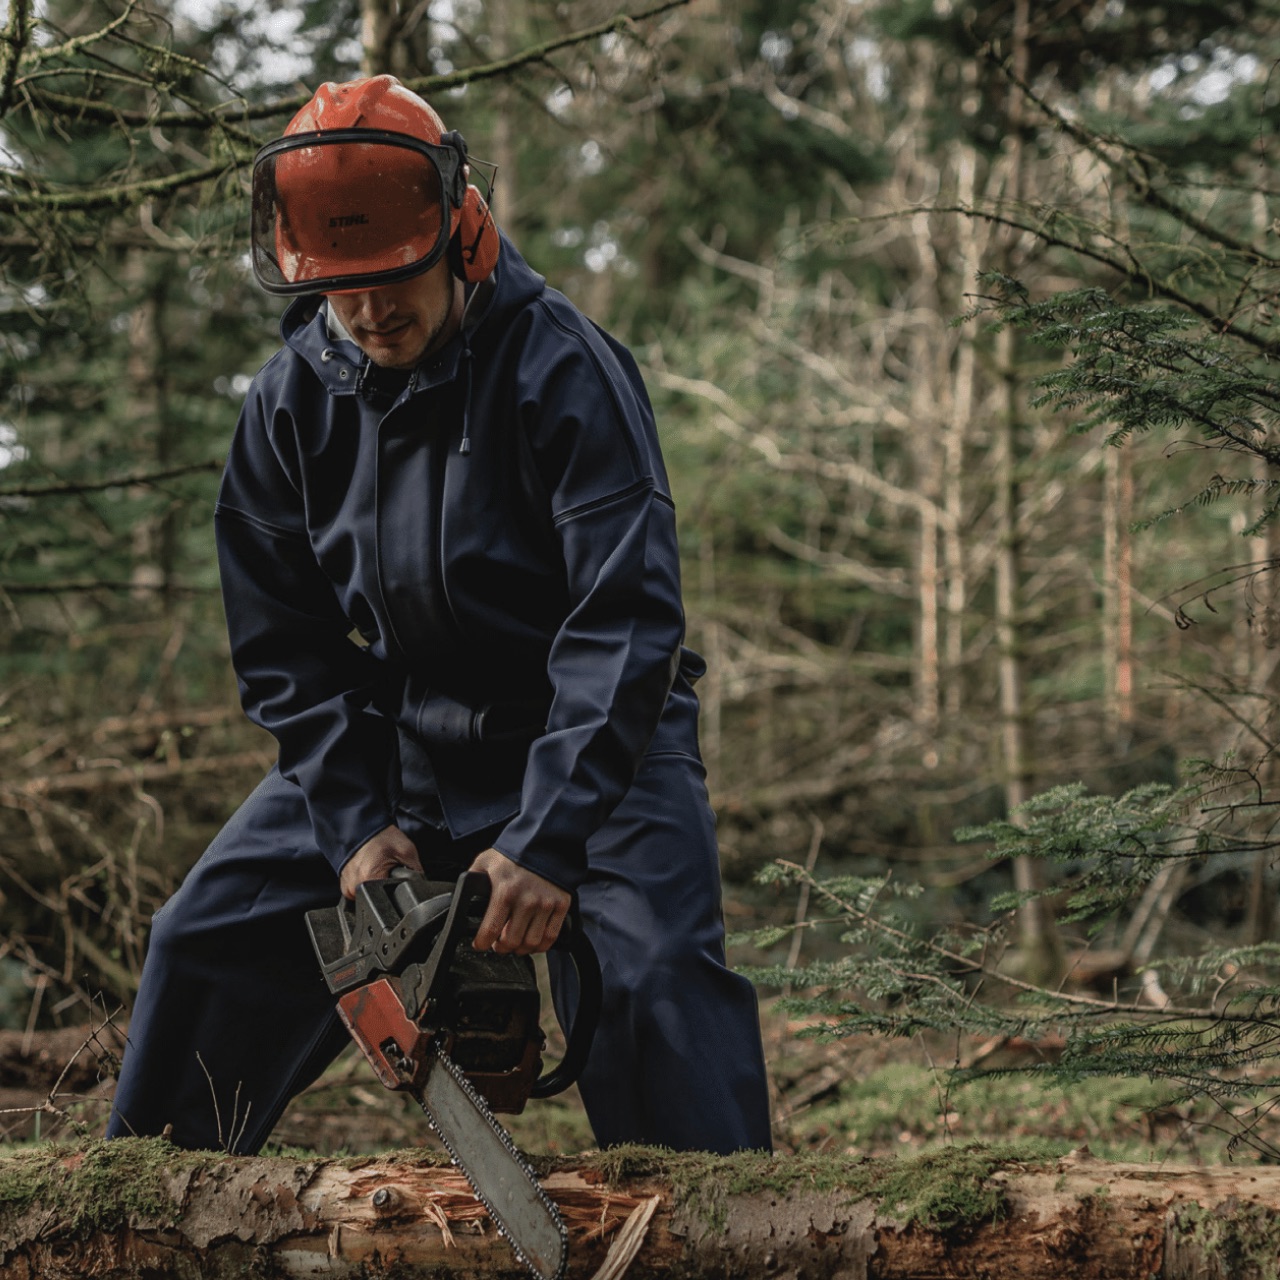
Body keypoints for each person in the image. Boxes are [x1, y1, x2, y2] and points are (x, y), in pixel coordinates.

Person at [106, 74, 772, 1156]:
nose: (370, 312)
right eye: (341, 289)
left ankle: (730, 1231)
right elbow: (283, 646)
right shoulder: (288, 403)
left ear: (457, 233)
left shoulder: (563, 367)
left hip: (595, 739)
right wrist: (351, 818)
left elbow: (625, 619)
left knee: (655, 978)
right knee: (203, 939)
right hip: (402, 737)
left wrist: (549, 839)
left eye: (392, 279)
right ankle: (140, 1209)